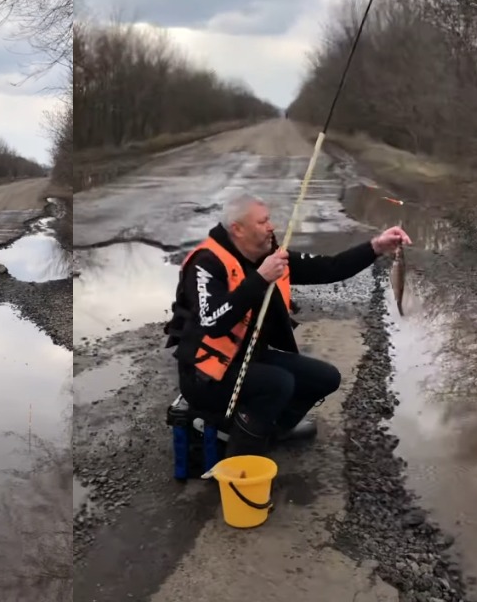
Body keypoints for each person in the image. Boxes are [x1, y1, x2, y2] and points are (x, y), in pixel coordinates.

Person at [164, 192, 410, 458]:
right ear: (238, 229)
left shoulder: (267, 255)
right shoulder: (207, 263)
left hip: (249, 359)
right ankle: (241, 458)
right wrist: (259, 279)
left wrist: (376, 246)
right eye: (262, 222)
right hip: (205, 376)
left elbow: (330, 268)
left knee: (325, 378)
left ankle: (268, 430)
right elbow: (213, 322)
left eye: (268, 219)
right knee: (279, 383)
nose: (271, 227)